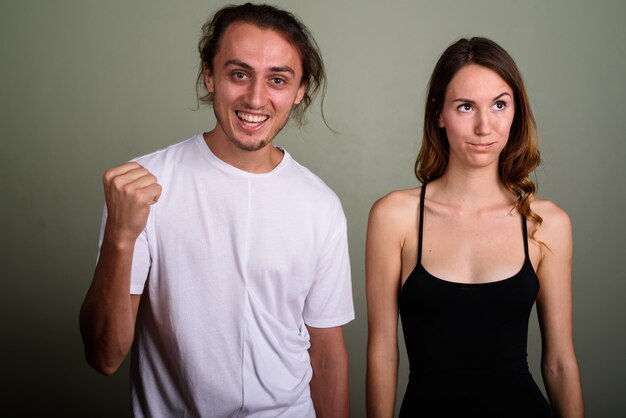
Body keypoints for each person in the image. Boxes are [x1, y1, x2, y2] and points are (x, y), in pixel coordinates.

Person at [79, 3, 354, 417]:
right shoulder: (144, 186)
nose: (256, 98)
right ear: (209, 75)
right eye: (239, 74)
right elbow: (105, 356)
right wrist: (121, 236)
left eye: (277, 79)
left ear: (299, 92)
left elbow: (327, 356)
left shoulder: (321, 206)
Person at [365, 37, 584, 417]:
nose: (485, 126)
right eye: (466, 107)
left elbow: (560, 362)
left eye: (499, 104)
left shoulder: (546, 224)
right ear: (439, 113)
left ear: (516, 112)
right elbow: (383, 353)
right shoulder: (393, 217)